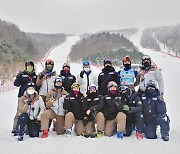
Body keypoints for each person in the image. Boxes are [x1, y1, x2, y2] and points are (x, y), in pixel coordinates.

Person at [12, 61, 37, 134]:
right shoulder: (22, 75)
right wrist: (18, 77)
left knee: (30, 112)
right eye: (28, 66)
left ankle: (27, 127)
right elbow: (16, 84)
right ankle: (15, 127)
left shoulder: (35, 75)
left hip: (32, 96)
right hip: (22, 96)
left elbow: (37, 85)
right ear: (26, 67)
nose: (30, 67)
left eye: (31, 66)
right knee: (20, 111)